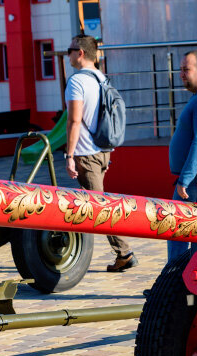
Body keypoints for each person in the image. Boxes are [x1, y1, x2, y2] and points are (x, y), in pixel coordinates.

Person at [64, 34, 136, 272]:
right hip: (103, 151)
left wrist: (69, 156)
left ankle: (124, 253)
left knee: (100, 208)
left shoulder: (76, 82)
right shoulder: (101, 78)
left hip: (86, 154)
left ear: (81, 53)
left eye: (70, 50)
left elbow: (74, 121)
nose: (68, 55)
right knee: (96, 204)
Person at [167, 49, 197, 264]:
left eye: (186, 69)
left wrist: (185, 179)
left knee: (177, 227)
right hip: (193, 179)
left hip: (192, 181)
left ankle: (174, 280)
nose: (182, 74)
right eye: (181, 70)